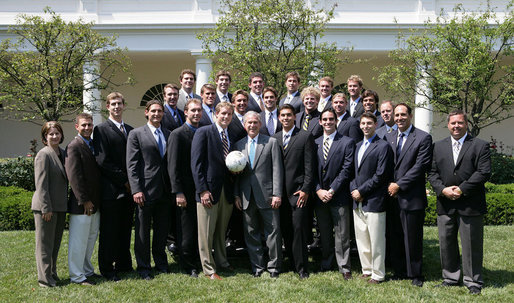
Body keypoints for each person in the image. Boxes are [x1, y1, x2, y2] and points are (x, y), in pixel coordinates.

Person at [428, 110, 490, 295]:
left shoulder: (480, 145)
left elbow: (483, 172)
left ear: (466, 124)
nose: (456, 126)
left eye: (460, 123)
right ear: (448, 125)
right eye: (453, 123)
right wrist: (442, 189)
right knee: (446, 243)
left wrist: (462, 189)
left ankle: (473, 281)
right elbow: (432, 173)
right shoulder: (438, 146)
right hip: (445, 203)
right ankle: (450, 277)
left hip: (470, 203)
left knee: (471, 244)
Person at [385, 103, 432, 287]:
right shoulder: (387, 136)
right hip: (390, 197)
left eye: (403, 115)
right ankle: (399, 270)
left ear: (410, 116)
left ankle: (416, 274)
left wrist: (399, 185)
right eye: (396, 115)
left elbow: (420, 167)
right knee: (395, 236)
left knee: (412, 238)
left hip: (411, 197)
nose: (399, 118)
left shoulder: (422, 137)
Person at [234, 111, 284, 278]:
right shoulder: (238, 145)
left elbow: (277, 169)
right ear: (244, 125)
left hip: (268, 196)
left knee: (273, 232)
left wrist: (277, 193)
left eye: (255, 122)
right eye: (249, 123)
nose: (252, 125)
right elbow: (235, 174)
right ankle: (257, 267)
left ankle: (274, 267)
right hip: (246, 197)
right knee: (251, 233)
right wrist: (236, 195)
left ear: (260, 124)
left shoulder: (271, 142)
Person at [126, 100, 171, 280]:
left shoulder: (169, 134)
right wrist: (136, 189)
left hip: (165, 190)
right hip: (144, 190)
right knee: (143, 232)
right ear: (146, 112)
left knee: (161, 231)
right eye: (153, 111)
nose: (157, 114)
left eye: (160, 111)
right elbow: (132, 164)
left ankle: (161, 263)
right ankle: (144, 267)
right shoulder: (136, 134)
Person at [191, 102, 236, 280]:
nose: (226, 117)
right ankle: (209, 269)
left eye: (229, 114)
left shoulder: (230, 134)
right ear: (216, 114)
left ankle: (222, 261)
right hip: (208, 191)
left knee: (221, 231)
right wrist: (202, 190)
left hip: (227, 190)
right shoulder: (203, 132)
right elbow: (196, 164)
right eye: (223, 113)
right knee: (206, 232)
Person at [93, 92, 134, 282]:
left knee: (125, 229)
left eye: (120, 103)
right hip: (111, 190)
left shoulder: (130, 130)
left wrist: (131, 183)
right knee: (109, 232)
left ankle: (124, 264)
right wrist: (124, 180)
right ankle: (107, 269)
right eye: (113, 104)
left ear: (124, 105)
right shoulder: (101, 129)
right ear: (107, 107)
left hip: (128, 191)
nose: (117, 107)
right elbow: (102, 161)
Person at [350, 112, 393, 284]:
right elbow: (354, 173)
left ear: (376, 124)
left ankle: (378, 274)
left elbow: (381, 175)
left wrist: (362, 191)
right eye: (363, 123)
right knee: (362, 238)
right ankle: (366, 269)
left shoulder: (383, 146)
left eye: (369, 123)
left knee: (376, 240)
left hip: (374, 199)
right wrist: (354, 189)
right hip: (357, 199)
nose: (365, 126)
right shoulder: (358, 145)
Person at [274, 104, 315, 279]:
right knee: (285, 230)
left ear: (295, 117)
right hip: (279, 195)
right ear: (279, 118)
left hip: (298, 193)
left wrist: (306, 189)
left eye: (289, 115)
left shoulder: (305, 137)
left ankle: (301, 268)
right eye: (282, 115)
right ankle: (290, 263)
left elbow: (310, 166)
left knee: (298, 230)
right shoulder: (274, 138)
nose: (286, 118)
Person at [315, 108, 355, 280]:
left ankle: (344, 266)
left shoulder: (347, 142)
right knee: (324, 232)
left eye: (331, 119)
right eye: (325, 119)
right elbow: (309, 169)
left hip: (338, 195)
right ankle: (326, 262)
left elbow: (347, 170)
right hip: (319, 196)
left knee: (342, 234)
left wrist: (331, 190)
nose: (328, 122)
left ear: (336, 121)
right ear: (320, 122)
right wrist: (318, 190)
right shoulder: (314, 142)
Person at [167, 98, 204, 278]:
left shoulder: (204, 131)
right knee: (186, 229)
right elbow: (172, 166)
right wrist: (178, 191)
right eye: (193, 110)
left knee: (200, 228)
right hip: (185, 191)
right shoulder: (177, 134)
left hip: (202, 189)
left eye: (199, 110)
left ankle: (200, 259)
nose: (196, 113)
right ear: (186, 113)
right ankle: (188, 264)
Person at [65, 113, 102, 286]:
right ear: (77, 127)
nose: (87, 128)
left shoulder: (93, 144)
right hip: (82, 205)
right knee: (78, 242)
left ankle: (87, 270)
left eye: (89, 125)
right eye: (84, 125)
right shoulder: (74, 146)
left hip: (96, 203)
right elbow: (74, 177)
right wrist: (84, 200)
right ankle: (77, 276)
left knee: (90, 239)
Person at [32, 121, 67, 288]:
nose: (54, 136)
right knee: (45, 244)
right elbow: (41, 184)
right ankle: (44, 280)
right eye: (51, 134)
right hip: (45, 207)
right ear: (45, 137)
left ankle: (52, 273)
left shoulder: (62, 152)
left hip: (60, 206)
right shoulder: (43, 154)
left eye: (57, 133)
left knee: (55, 243)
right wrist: (46, 208)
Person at [159, 83, 184, 256]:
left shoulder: (182, 114)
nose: (173, 97)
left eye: (175, 94)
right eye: (170, 94)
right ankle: (170, 241)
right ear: (164, 96)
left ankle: (178, 239)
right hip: (166, 165)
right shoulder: (161, 114)